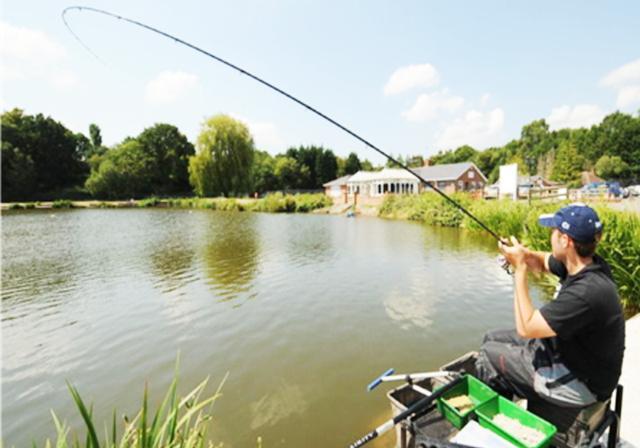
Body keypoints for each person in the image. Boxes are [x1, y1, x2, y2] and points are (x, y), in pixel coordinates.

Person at [475, 203, 625, 408]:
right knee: (491, 337)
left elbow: (527, 327)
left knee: (489, 356)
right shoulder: (585, 263)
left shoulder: (586, 292)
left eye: (553, 230)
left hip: (582, 383)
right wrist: (523, 255)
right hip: (571, 355)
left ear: (565, 240)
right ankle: (511, 395)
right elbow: (544, 261)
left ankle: (497, 421)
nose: (550, 234)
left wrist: (519, 270)